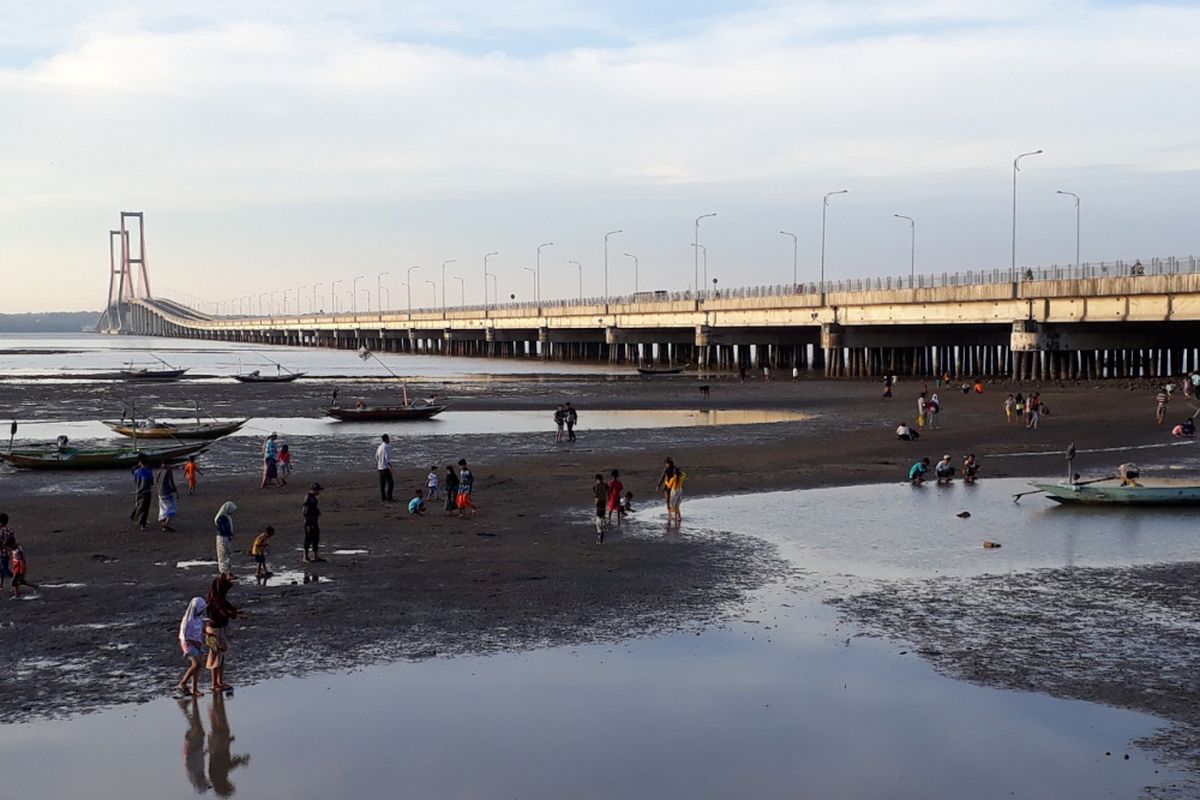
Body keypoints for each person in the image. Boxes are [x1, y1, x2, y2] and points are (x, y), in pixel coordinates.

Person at [205, 575, 239, 692]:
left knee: (221, 655)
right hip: (213, 631)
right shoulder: (216, 600)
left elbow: (230, 608)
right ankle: (214, 683)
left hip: (219, 629)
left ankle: (220, 681)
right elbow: (224, 612)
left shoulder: (219, 598)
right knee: (215, 654)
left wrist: (236, 613)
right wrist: (234, 615)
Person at [177, 596, 208, 696]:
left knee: (197, 666)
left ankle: (194, 689)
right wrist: (195, 643)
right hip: (189, 644)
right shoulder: (188, 620)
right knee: (197, 664)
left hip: (197, 642)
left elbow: (200, 629)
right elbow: (186, 636)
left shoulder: (198, 618)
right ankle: (182, 683)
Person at [213, 501, 237, 578]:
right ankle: (225, 574)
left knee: (228, 554)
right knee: (223, 555)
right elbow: (224, 530)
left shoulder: (225, 516)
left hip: (226, 538)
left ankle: (228, 573)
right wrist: (229, 535)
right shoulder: (221, 518)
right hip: (222, 538)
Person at [131, 455, 154, 531]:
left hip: (138, 491)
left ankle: (137, 518)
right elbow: (151, 482)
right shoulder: (149, 472)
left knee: (139, 505)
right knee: (145, 509)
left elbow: (135, 481)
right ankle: (142, 525)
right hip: (146, 492)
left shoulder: (136, 472)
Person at [302, 483, 323, 562]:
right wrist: (309, 521)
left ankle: (315, 556)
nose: (319, 492)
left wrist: (317, 512)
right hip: (309, 522)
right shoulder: (308, 497)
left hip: (314, 521)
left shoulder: (313, 497)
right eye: (318, 490)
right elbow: (304, 511)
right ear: (315, 489)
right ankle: (305, 557)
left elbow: (313, 507)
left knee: (316, 538)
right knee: (308, 538)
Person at [156, 461, 179, 532]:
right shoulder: (168, 471)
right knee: (172, 509)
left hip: (160, 492)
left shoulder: (158, 471)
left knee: (162, 509)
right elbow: (171, 482)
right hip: (167, 492)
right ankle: (166, 524)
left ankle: (164, 524)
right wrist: (176, 491)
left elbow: (157, 481)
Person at [375, 434, 394, 502]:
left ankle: (383, 497)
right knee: (390, 483)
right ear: (386, 439)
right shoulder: (386, 446)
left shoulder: (379, 447)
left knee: (382, 483)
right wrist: (390, 465)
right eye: (388, 438)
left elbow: (376, 456)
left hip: (380, 467)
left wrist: (380, 462)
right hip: (385, 467)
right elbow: (387, 457)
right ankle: (389, 496)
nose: (389, 440)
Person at [0, 513, 15, 591]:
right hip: (8, 552)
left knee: (3, 568)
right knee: (2, 569)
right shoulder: (10, 530)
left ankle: (14, 579)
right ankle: (1, 585)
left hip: (2, 552)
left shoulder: (1, 531)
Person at [592, 474, 607, 543]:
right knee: (602, 517)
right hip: (604, 502)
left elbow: (595, 495)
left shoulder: (596, 486)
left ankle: (599, 535)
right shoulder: (605, 485)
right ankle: (602, 536)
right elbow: (609, 490)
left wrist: (595, 503)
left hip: (598, 503)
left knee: (598, 519)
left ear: (597, 479)